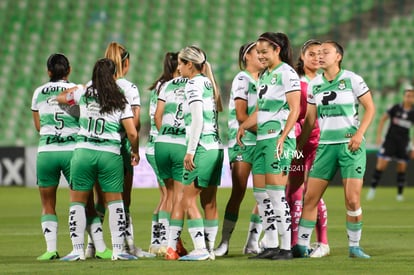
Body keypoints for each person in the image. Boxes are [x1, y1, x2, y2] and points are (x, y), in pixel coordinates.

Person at [293, 41, 375, 259]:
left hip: (351, 146)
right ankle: (301, 246)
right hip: (325, 147)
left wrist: (359, 133)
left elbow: (370, 108)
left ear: (338, 56)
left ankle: (355, 247)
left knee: (352, 199)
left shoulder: (352, 79)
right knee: (310, 198)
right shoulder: (314, 85)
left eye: (325, 52)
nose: (320, 56)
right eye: (317, 53)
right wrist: (298, 146)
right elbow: (310, 121)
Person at [59, 58, 139, 261]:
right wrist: (135, 151)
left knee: (77, 202)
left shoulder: (83, 92)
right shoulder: (120, 98)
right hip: (110, 153)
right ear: (114, 76)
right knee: (115, 203)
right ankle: (118, 250)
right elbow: (132, 133)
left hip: (83, 151)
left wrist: (75, 103)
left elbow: (61, 98)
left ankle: (77, 250)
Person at [85, 42, 153, 258]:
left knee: (99, 200)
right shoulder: (129, 88)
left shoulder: (91, 85)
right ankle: (127, 245)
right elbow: (134, 123)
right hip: (119, 146)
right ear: (126, 62)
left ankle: (91, 246)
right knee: (122, 200)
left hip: (93, 143)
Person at [237, 32, 301, 260]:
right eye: (259, 52)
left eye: (265, 51)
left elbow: (295, 109)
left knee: (275, 194)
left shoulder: (287, 73)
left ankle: (286, 247)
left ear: (277, 50)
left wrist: (284, 137)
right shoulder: (264, 76)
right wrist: (244, 125)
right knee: (261, 195)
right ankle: (271, 245)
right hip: (262, 139)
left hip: (277, 139)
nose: (261, 56)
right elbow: (260, 110)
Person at [166, 45, 224, 261]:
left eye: (181, 63)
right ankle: (208, 248)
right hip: (216, 147)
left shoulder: (192, 84)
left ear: (189, 64)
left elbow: (197, 119)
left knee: (187, 199)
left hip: (201, 148)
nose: (178, 67)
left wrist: (190, 151)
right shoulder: (208, 82)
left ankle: (200, 249)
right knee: (209, 202)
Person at [214, 42, 266, 257]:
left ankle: (252, 242)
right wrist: (267, 130)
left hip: (262, 141)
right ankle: (224, 243)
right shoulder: (241, 79)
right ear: (247, 56)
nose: (262, 56)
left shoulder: (267, 79)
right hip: (244, 141)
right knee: (238, 192)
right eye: (258, 53)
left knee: (264, 195)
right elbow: (241, 116)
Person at [31, 53, 80, 260]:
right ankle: (88, 247)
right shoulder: (76, 90)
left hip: (47, 152)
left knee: (47, 203)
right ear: (68, 70)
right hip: (72, 151)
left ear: (48, 71)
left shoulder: (38, 92)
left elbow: (38, 126)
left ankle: (51, 249)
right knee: (80, 200)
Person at [286, 39, 330, 257]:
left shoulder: (329, 82)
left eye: (320, 54)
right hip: (296, 141)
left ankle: (323, 242)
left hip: (319, 143)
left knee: (311, 192)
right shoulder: (294, 81)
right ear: (302, 57)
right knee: (292, 190)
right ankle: (295, 243)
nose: (316, 58)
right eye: (311, 54)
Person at [146, 52, 187, 257]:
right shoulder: (172, 87)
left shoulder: (160, 87)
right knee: (170, 195)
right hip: (162, 144)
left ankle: (157, 240)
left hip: (154, 145)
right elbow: (159, 117)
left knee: (165, 195)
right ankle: (163, 242)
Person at [366, 86, 414, 201]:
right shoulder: (395, 108)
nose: (409, 98)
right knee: (381, 166)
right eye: (407, 96)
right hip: (390, 141)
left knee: (402, 168)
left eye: (412, 96)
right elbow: (383, 119)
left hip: (403, 143)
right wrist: (379, 136)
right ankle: (372, 190)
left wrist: (412, 147)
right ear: (403, 97)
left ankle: (399, 194)